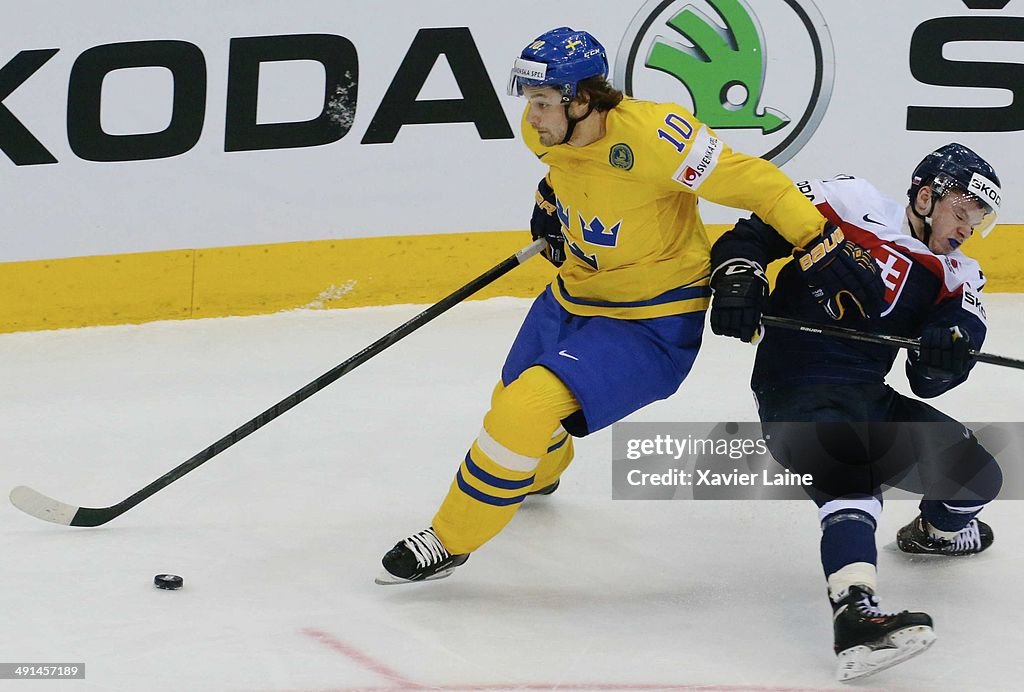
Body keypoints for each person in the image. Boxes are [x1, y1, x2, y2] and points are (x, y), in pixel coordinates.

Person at [376, 26, 880, 586]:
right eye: (530, 102)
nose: (533, 116)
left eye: (544, 102)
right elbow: (566, 173)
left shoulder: (657, 137)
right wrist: (549, 202)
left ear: (584, 98)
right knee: (511, 406)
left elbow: (755, 183)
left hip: (650, 322)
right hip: (572, 295)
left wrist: (817, 239)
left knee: (525, 409)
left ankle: (449, 539)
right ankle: (541, 472)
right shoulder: (542, 131)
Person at [709, 143, 1004, 682]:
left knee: (978, 476)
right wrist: (740, 274)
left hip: (868, 395)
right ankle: (855, 612)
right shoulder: (847, 199)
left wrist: (944, 352)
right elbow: (755, 232)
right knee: (849, 468)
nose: (967, 226)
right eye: (960, 210)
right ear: (925, 194)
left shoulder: (958, 273)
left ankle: (934, 533)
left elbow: (929, 378)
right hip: (796, 387)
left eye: (978, 218)